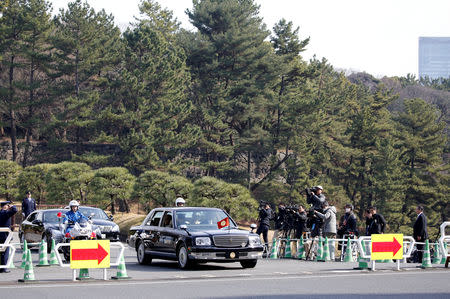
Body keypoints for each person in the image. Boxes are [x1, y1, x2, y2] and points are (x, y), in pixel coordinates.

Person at [0, 201, 17, 273]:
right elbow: (15, 210)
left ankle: (1, 267)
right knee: (5, 252)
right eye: (7, 205)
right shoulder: (5, 213)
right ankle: (4, 268)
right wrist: (12, 206)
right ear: (5, 206)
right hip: (5, 236)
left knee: (1, 252)